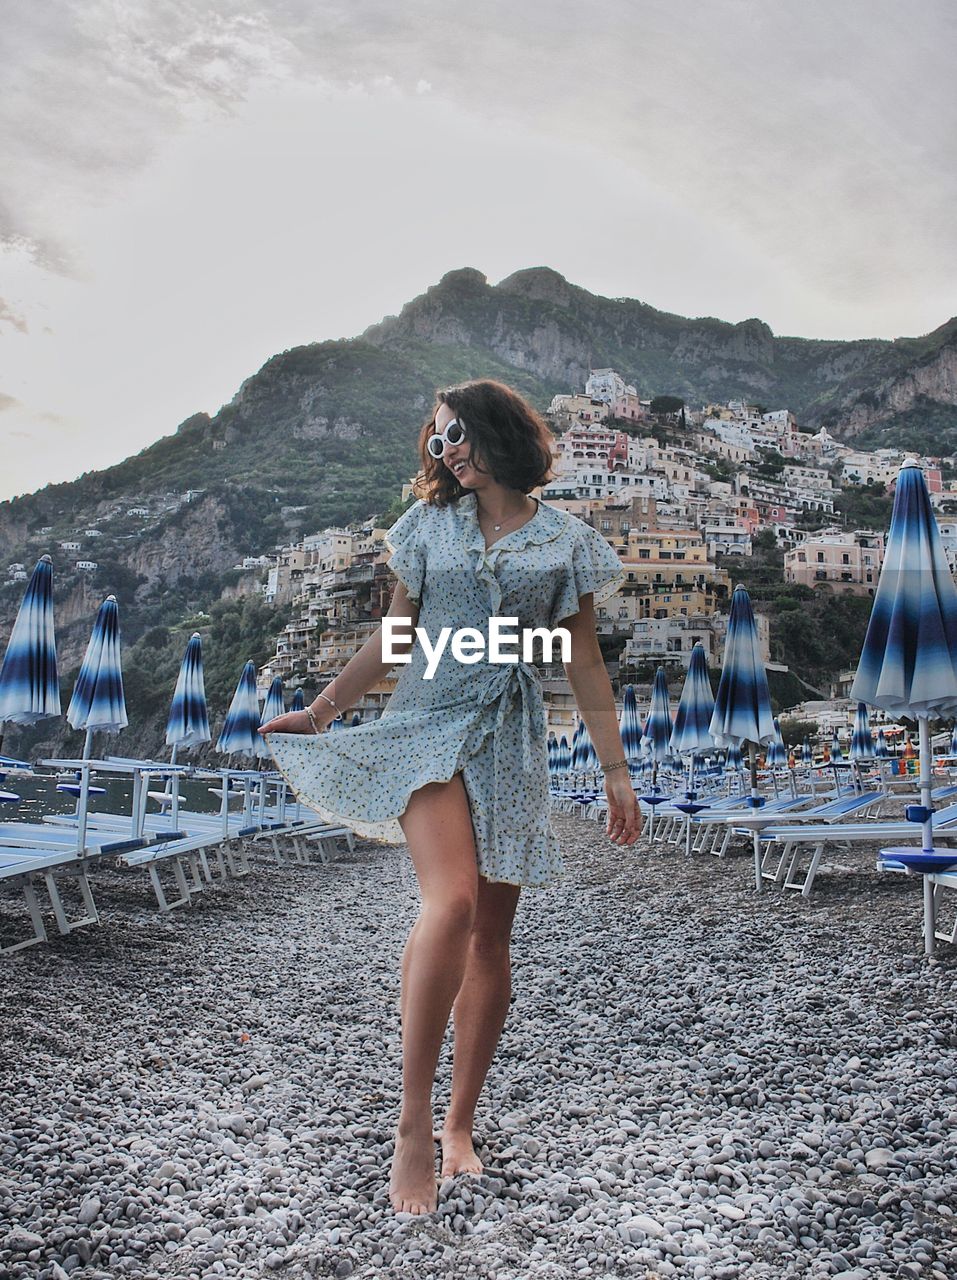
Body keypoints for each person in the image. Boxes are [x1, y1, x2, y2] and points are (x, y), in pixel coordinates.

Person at [260, 379, 643, 1215]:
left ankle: (460, 1123)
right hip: (425, 725)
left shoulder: (567, 542)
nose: (447, 451)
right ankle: (410, 1125)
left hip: (507, 736)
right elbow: (395, 639)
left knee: (491, 938)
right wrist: (322, 710)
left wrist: (615, 769)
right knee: (453, 902)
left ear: (497, 429)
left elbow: (581, 663)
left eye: (456, 434)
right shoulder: (427, 527)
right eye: (435, 442)